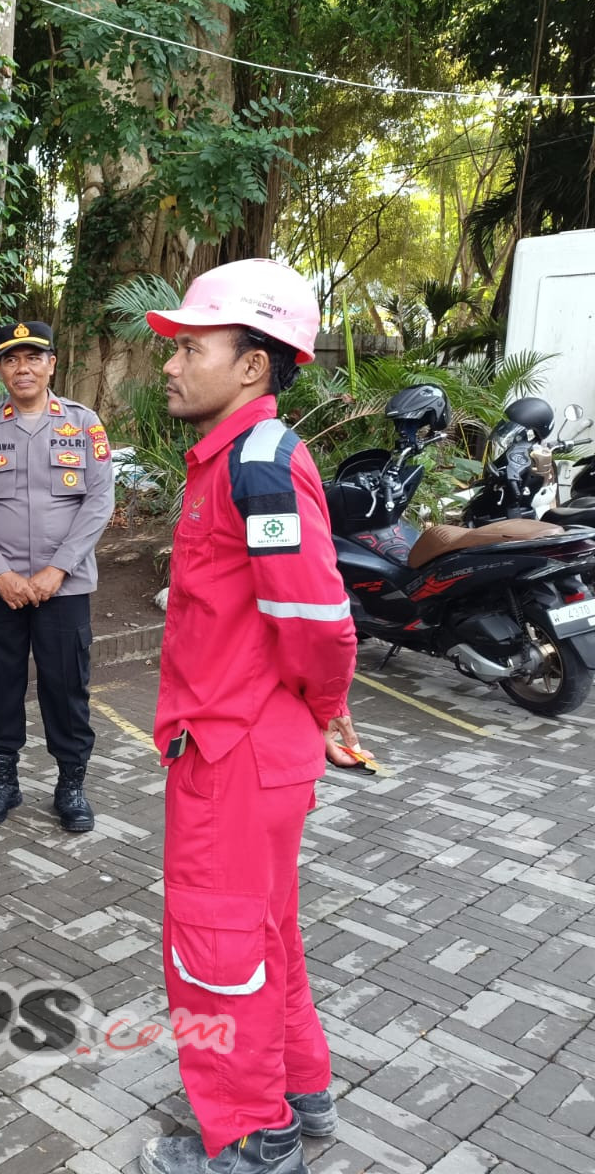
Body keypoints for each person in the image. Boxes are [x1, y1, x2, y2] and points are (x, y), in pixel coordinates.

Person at [140, 258, 363, 1174]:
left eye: (193, 347)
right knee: (263, 932)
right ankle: (298, 1090)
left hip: (233, 755)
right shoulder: (232, 462)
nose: (171, 364)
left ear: (253, 367)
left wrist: (331, 709)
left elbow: (317, 619)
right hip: (253, 746)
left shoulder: (259, 468)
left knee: (215, 950)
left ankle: (251, 1135)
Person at [0, 320, 115, 830]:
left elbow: (98, 501)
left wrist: (56, 570)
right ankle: (4, 781)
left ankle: (71, 786)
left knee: (66, 686)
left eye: (33, 358)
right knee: (1, 685)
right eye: (11, 359)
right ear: (0, 368)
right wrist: (0, 573)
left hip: (64, 587)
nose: (22, 368)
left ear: (51, 364)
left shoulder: (85, 426)